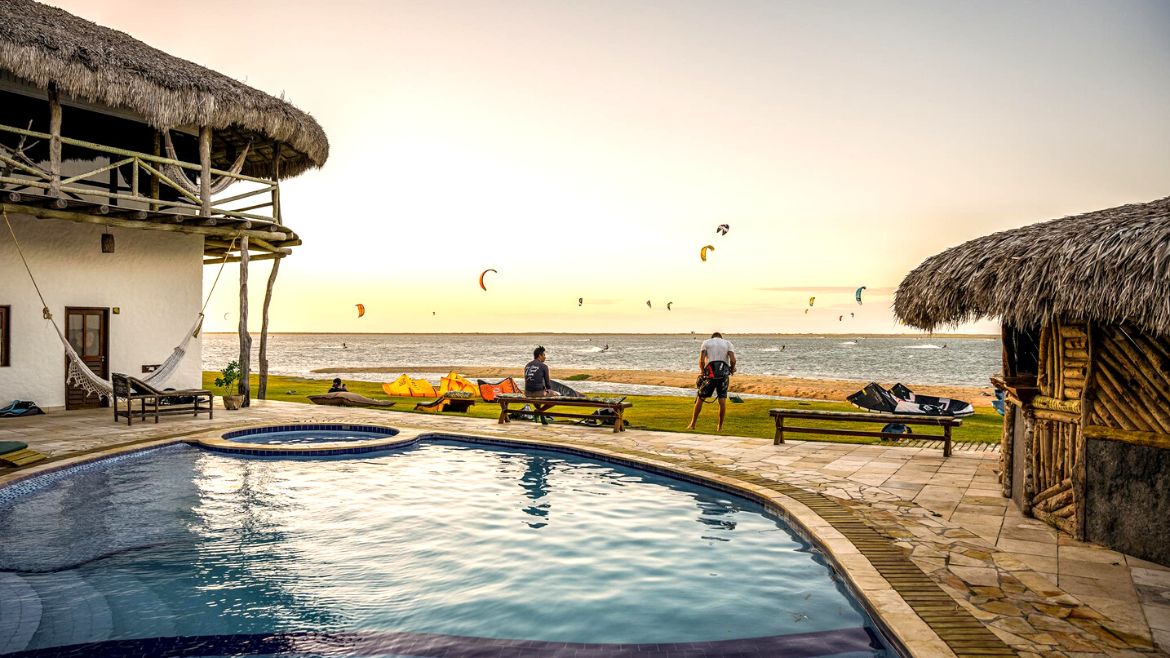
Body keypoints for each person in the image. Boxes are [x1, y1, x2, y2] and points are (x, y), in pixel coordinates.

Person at [686, 332, 736, 432]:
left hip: (710, 375)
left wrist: (702, 371)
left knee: (700, 398)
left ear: (712, 337)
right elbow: (733, 360)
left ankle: (692, 424)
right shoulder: (728, 343)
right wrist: (732, 369)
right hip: (723, 376)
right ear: (721, 337)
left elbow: (701, 360)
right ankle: (720, 427)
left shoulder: (706, 343)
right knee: (722, 401)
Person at [524, 346, 558, 423]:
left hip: (527, 393)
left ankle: (541, 414)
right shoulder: (544, 366)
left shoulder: (527, 365)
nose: (545, 357)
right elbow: (547, 383)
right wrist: (549, 391)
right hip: (538, 393)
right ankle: (539, 411)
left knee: (537, 400)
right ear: (540, 355)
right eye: (544, 355)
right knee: (556, 397)